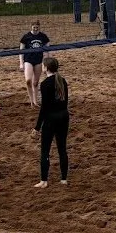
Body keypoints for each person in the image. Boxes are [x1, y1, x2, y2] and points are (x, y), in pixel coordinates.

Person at [31, 56, 70, 187]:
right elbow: (65, 102)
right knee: (62, 149)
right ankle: (64, 179)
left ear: (46, 68)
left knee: (45, 151)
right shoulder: (62, 81)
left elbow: (44, 108)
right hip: (64, 117)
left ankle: (44, 180)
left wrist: (37, 127)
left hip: (51, 119)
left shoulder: (45, 84)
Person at [18, 20, 50, 107]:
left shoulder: (43, 37)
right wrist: (21, 63)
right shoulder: (26, 37)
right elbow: (21, 51)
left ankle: (35, 102)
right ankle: (31, 100)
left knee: (35, 82)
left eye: (37, 27)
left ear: (39, 27)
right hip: (28, 60)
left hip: (38, 60)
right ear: (31, 27)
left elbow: (47, 51)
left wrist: (45, 64)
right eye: (34, 27)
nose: (35, 29)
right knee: (28, 80)